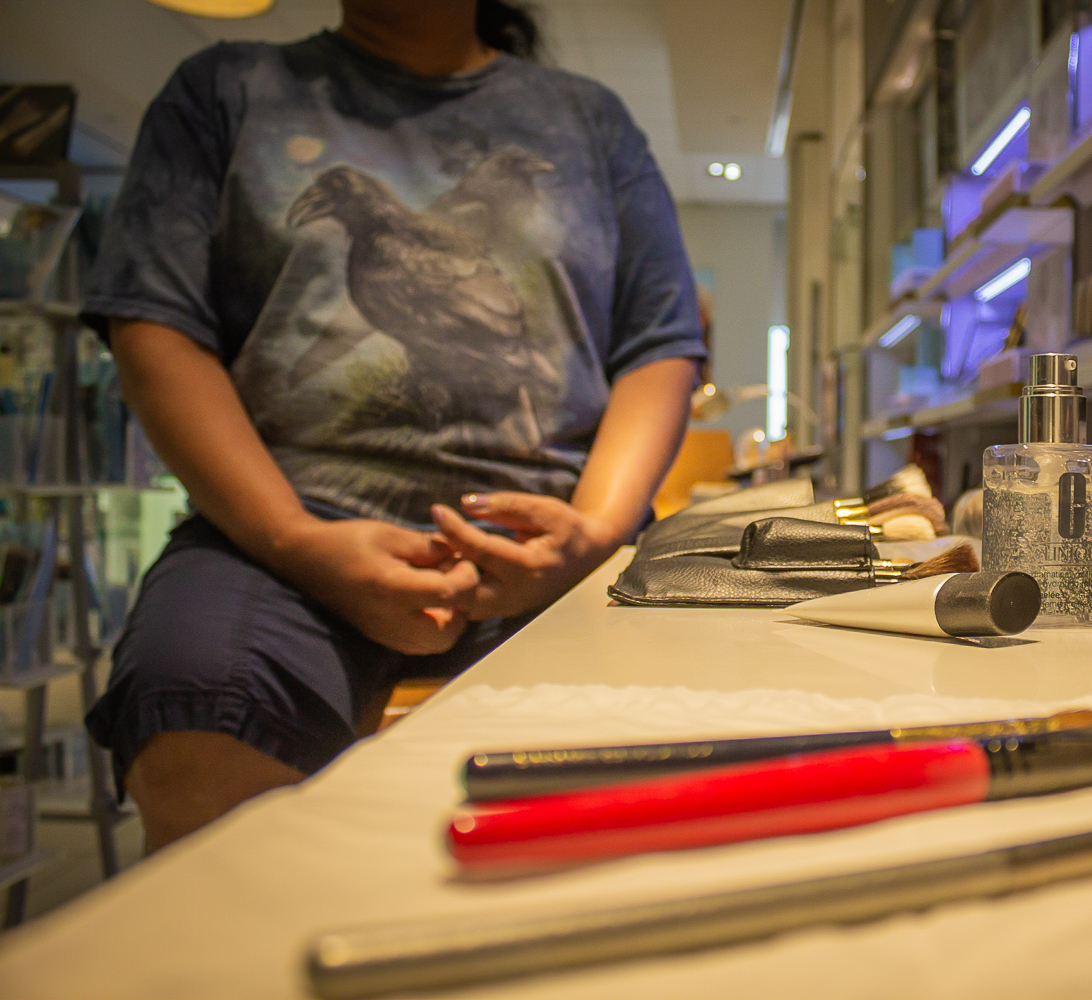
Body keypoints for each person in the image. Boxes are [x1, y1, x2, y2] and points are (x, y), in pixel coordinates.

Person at [82, 0, 704, 851]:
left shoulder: (592, 121)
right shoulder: (223, 91)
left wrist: (594, 530)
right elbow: (155, 327)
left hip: (553, 537)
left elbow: (661, 343)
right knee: (196, 719)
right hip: (281, 537)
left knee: (657, 740)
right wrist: (294, 539)